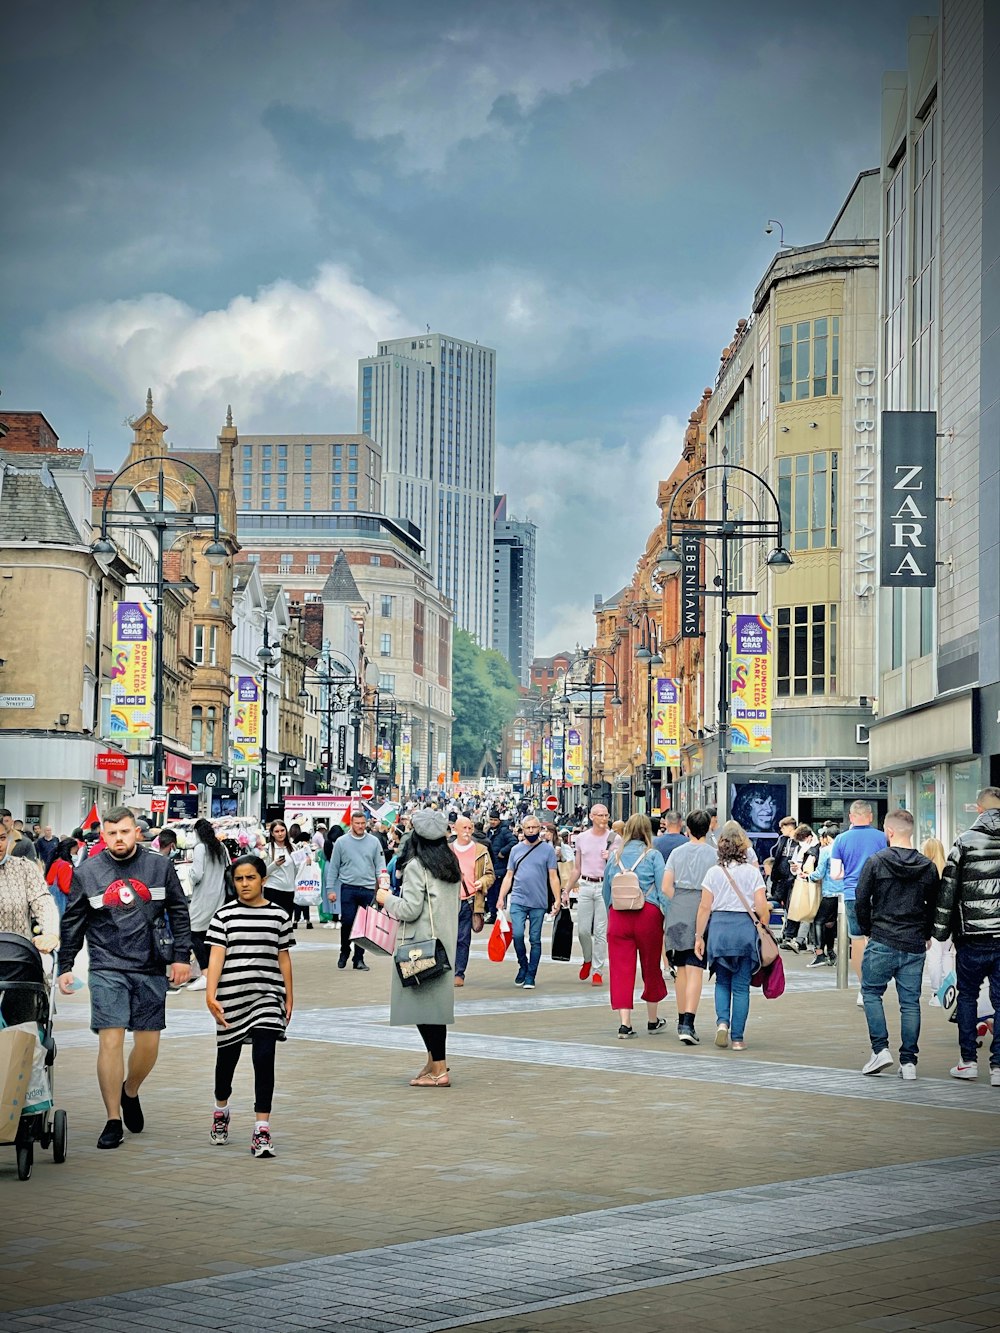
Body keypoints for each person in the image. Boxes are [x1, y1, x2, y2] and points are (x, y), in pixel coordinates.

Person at [57, 806, 191, 1150]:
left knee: (148, 1044)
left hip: (150, 965)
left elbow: (178, 911)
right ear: (104, 836)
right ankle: (112, 1118)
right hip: (106, 965)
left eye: (125, 832)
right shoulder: (88, 873)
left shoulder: (160, 867)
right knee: (111, 1040)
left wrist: (181, 957)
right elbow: (73, 922)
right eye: (112, 833)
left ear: (138, 833)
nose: (119, 838)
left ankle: (130, 1091)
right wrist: (66, 966)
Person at [205, 855, 293, 1157]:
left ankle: (261, 1129)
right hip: (231, 997)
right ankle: (221, 1110)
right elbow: (216, 956)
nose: (244, 884)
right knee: (226, 1062)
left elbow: (283, 957)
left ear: (263, 880)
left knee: (264, 1057)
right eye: (239, 879)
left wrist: (289, 996)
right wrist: (210, 994)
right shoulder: (224, 916)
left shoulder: (279, 915)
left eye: (250, 878)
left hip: (267, 996)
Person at [375, 808, 461, 1087]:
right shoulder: (450, 864)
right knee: (434, 1008)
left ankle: (439, 1071)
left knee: (424, 1009)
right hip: (444, 943)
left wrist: (386, 898)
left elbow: (410, 909)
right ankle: (435, 1062)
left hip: (419, 946)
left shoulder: (416, 866)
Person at [855, 809, 939, 1080]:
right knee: (910, 1003)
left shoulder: (876, 862)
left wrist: (868, 929)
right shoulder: (927, 866)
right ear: (910, 831)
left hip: (882, 937)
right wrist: (926, 934)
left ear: (888, 831)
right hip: (914, 941)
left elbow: (861, 900)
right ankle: (909, 1061)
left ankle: (880, 1049)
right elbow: (933, 907)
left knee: (871, 993)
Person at [933, 786, 1000, 1085]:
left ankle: (968, 1060)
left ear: (978, 808)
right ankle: (998, 1066)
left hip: (972, 934)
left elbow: (948, 890)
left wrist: (939, 931)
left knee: (969, 996)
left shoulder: (964, 841)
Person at [694, 820, 769, 1051]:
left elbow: (705, 907)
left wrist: (699, 936)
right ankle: (738, 1038)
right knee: (741, 986)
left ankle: (722, 1023)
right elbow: (762, 906)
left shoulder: (714, 872)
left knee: (722, 982)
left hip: (719, 930)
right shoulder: (752, 873)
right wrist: (762, 927)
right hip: (744, 930)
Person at [602, 813, 669, 1039]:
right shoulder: (653, 855)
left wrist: (611, 912)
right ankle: (652, 1020)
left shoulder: (614, 856)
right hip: (647, 915)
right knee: (651, 967)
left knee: (621, 969)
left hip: (619, 916)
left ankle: (625, 1024)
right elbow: (663, 891)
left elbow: (606, 891)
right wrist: (666, 916)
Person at [663, 810, 718, 1044]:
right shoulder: (714, 856)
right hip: (702, 907)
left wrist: (679, 900)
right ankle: (689, 1022)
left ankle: (679, 1020)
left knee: (681, 969)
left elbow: (666, 887)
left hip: (677, 909)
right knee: (696, 966)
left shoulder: (676, 853)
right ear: (709, 828)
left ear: (688, 829)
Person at [831, 800, 888, 1001]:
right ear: (871, 816)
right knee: (877, 939)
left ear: (851, 817)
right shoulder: (883, 838)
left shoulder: (840, 840)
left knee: (856, 941)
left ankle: (864, 989)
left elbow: (835, 873)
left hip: (852, 894)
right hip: (880, 894)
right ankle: (877, 984)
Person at [497, 813, 560, 990]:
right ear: (522, 829)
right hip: (518, 899)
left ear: (540, 829)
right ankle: (522, 965)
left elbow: (553, 876)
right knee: (517, 935)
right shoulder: (516, 850)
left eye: (535, 827)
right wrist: (501, 897)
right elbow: (509, 875)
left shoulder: (547, 850)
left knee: (535, 939)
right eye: (528, 828)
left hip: (538, 901)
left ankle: (531, 974)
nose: (531, 831)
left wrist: (556, 899)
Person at [326, 807, 386, 971]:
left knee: (363, 926)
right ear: (351, 824)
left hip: (367, 889)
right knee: (347, 922)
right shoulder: (341, 842)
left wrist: (384, 886)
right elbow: (334, 867)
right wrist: (330, 889)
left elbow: (380, 866)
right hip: (348, 888)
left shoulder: (374, 842)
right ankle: (344, 950)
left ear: (366, 823)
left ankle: (358, 958)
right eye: (357, 823)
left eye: (363, 823)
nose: (360, 826)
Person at [564, 804, 615, 986]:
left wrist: (611, 857)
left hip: (604, 886)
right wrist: (567, 890)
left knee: (601, 931)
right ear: (591, 817)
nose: (603, 818)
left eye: (606, 815)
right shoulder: (582, 838)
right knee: (583, 930)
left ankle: (597, 970)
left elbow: (621, 866)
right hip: (585, 885)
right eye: (600, 815)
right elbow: (577, 868)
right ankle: (587, 959)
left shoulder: (614, 838)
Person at [450, 815, 494, 987]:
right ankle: (447, 970)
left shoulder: (481, 850)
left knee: (463, 938)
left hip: (469, 901)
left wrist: (482, 882)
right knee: (447, 937)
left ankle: (459, 972)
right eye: (464, 829)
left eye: (470, 828)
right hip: (449, 901)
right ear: (456, 830)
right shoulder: (448, 850)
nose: (467, 832)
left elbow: (490, 875)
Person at [187, 818, 230, 993]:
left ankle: (206, 973)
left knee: (194, 933)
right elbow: (229, 868)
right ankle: (215, 972)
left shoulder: (200, 848)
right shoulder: (221, 847)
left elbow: (197, 874)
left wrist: (189, 873)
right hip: (219, 896)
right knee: (213, 936)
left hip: (203, 896)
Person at [0, 825, 59, 950]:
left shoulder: (24, 868)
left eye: (2, 838)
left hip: (18, 958)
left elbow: (43, 901)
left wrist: (50, 932)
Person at [921, 837, 952, 1004]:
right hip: (949, 922)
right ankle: (950, 992)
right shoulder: (949, 870)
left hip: (933, 921)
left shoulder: (926, 872)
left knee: (934, 957)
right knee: (947, 955)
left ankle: (936, 993)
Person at [805, 827, 839, 967]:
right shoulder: (846, 849)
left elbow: (819, 873)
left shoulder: (826, 850)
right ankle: (831, 952)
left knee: (818, 921)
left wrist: (808, 877)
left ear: (827, 837)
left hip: (830, 891)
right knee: (830, 923)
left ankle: (820, 954)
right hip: (845, 892)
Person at [485, 812, 516, 920]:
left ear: (499, 820)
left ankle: (499, 915)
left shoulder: (504, 831)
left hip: (500, 868)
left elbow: (514, 841)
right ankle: (493, 915)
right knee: (490, 893)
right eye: (491, 819)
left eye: (495, 820)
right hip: (491, 867)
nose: (492, 822)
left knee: (499, 893)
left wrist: (503, 851)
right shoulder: (489, 832)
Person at [263, 820, 297, 916]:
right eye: (277, 831)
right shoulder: (267, 849)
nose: (280, 834)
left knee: (287, 921)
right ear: (272, 834)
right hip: (272, 889)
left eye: (282, 830)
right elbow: (263, 872)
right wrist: (275, 865)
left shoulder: (294, 848)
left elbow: (297, 870)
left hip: (290, 890)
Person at [768, 817, 799, 916]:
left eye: (783, 828)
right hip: (782, 880)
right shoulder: (783, 840)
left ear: (790, 827)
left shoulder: (799, 841)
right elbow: (778, 859)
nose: (781, 830)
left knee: (791, 907)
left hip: (793, 879)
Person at [44, 836, 79, 922]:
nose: (76, 854)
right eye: (76, 851)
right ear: (69, 850)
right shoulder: (65, 865)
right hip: (61, 901)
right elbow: (66, 888)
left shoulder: (55, 862)